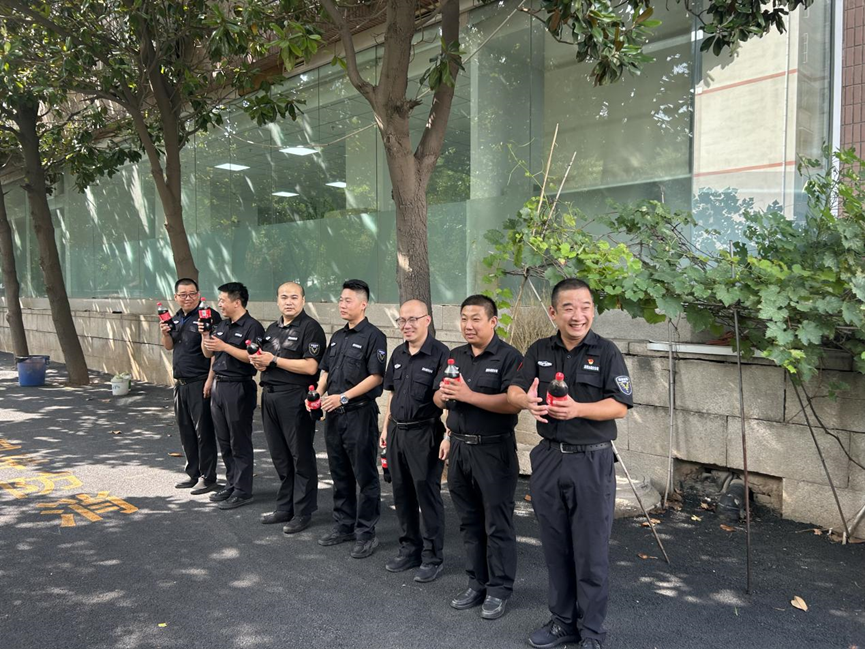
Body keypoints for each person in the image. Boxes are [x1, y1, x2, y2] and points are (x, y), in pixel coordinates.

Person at [507, 278, 633, 649]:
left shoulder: (606, 352)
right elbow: (514, 389)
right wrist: (526, 401)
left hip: (591, 461)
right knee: (556, 546)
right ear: (554, 312)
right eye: (569, 308)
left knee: (591, 552)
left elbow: (620, 406)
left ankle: (592, 630)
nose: (578, 315)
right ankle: (563, 622)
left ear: (592, 310)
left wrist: (578, 409)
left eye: (585, 307)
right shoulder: (539, 350)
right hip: (549, 460)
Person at [433, 295, 523, 620]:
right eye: (464, 319)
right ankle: (476, 583)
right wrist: (443, 396)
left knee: (497, 523)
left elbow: (513, 404)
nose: (468, 325)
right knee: (469, 522)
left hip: (493, 450)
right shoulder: (455, 356)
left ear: (493, 321)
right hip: (459, 449)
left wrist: (469, 395)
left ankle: (499, 590)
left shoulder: (510, 357)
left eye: (475, 319)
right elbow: (438, 398)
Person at [312, 279, 387, 559]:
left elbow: (376, 377)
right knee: (339, 472)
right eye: (341, 300)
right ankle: (344, 525)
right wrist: (318, 393)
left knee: (365, 476)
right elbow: (326, 370)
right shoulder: (338, 336)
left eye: (348, 300)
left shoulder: (374, 336)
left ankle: (366, 532)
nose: (342, 304)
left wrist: (343, 397)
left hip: (359, 414)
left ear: (363, 304)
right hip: (334, 415)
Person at [380, 299, 449, 583]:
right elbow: (393, 394)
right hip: (397, 431)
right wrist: (385, 428)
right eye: (402, 320)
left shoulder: (441, 354)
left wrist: (448, 435)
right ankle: (410, 549)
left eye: (413, 319)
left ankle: (432, 557)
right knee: (401, 492)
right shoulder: (398, 353)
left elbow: (446, 399)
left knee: (426, 493)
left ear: (427, 320)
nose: (406, 325)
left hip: (425, 433)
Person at [249, 282, 326, 534]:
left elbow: (311, 367)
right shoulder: (272, 329)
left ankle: (302, 511)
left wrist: (273, 360)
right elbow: (266, 361)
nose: (289, 301)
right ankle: (285, 507)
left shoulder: (310, 328)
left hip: (294, 397)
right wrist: (260, 362)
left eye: (294, 297)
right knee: (280, 455)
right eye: (284, 297)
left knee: (300, 455)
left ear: (303, 300)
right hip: (270, 396)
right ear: (277, 300)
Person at [200, 282, 265, 510]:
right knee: (224, 440)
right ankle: (231, 483)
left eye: (223, 300)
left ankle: (243, 490)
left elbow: (253, 358)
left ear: (237, 302)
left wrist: (225, 346)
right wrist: (205, 335)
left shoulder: (252, 327)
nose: (219, 304)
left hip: (239, 386)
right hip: (219, 385)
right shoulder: (221, 325)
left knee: (239, 440)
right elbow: (208, 352)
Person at [160, 278, 221, 495]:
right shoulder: (175, 318)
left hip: (200, 382)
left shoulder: (208, 316)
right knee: (186, 431)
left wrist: (210, 379)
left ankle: (208, 477)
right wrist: (165, 333)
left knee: (203, 431)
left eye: (192, 293)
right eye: (183, 294)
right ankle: (193, 473)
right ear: (176, 297)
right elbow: (169, 347)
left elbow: (214, 351)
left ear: (198, 294)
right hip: (180, 384)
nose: (188, 298)